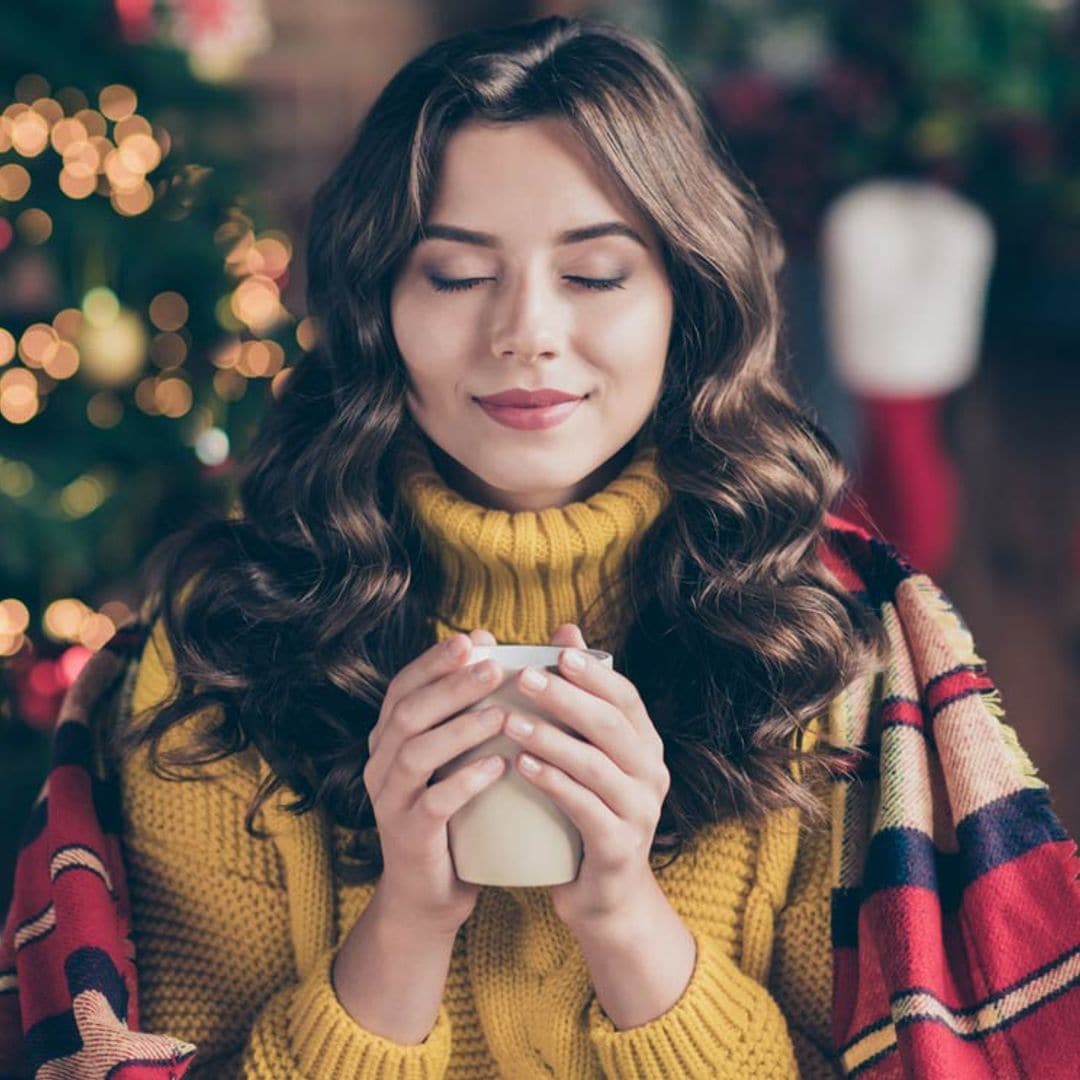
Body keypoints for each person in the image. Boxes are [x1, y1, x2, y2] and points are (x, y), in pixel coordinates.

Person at [6, 15, 1076, 1079]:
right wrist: (408, 921)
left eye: (597, 274)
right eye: (457, 276)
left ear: (687, 303)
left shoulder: (821, 648)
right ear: (375, 307)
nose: (526, 331)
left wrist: (622, 913)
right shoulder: (222, 652)